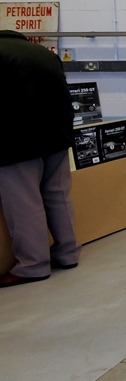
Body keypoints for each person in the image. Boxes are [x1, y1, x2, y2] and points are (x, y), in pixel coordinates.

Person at [0, 31, 80, 287]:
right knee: (58, 193)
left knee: (24, 200)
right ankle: (68, 253)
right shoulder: (44, 53)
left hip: (18, 139)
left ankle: (33, 265)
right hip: (57, 133)